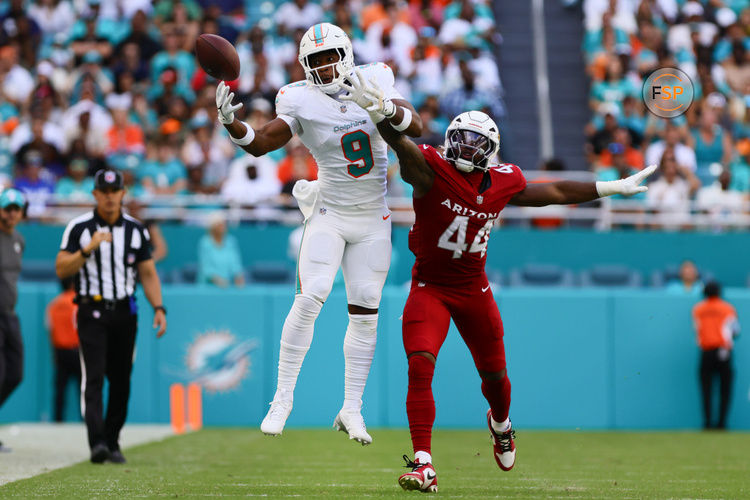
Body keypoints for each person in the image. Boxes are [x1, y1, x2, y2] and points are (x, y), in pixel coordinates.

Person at [341, 73, 655, 491]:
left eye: (477, 142)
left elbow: (557, 190)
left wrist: (610, 186)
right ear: (451, 139)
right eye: (462, 139)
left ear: (490, 150)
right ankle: (423, 463)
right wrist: (380, 111)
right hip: (429, 287)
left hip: (473, 291)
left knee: (495, 378)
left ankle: (501, 424)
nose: (468, 148)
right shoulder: (431, 169)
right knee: (419, 365)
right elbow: (401, 144)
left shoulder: (503, 181)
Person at [215, 22, 422, 444]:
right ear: (305, 67)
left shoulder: (376, 77)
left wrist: (382, 106)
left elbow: (415, 127)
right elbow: (262, 143)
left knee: (365, 313)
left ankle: (352, 408)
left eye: (330, 58)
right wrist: (233, 125)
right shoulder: (298, 98)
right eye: (316, 61)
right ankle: (282, 397)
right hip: (329, 213)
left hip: (373, 219)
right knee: (311, 298)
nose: (325, 67)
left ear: (345, 55)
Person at [55, 169, 167, 464]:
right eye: (103, 192)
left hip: (124, 311)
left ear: (122, 193)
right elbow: (61, 268)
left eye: (113, 191)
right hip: (91, 310)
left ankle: (113, 440)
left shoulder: (135, 229)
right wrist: (86, 250)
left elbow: (147, 272)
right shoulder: (78, 228)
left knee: (121, 380)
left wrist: (159, 308)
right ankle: (97, 443)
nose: (108, 196)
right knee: (93, 377)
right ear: (94, 194)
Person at [692, 282, 740, 430]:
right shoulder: (727, 308)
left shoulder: (698, 309)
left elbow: (696, 329)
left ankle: (707, 423)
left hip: (706, 352)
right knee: (725, 389)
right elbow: (736, 331)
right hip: (723, 351)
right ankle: (722, 423)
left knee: (706, 389)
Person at [0, 188, 26, 452]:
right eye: (8, 208)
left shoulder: (19, 239)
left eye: (16, 209)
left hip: (10, 315)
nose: (11, 214)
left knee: (15, 374)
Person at [45, 276, 81, 422]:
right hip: (78, 351)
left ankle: (58, 421)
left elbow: (50, 329)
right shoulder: (78, 303)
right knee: (84, 390)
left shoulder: (53, 305)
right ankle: (87, 420)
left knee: (60, 391)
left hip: (60, 351)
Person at [197, 213, 245, 288]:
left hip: (226, 288)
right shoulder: (205, 243)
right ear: (213, 227)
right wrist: (217, 280)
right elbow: (206, 267)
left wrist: (238, 277)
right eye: (219, 225)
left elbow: (235, 263)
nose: (223, 227)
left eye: (224, 224)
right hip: (207, 288)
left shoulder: (231, 241)